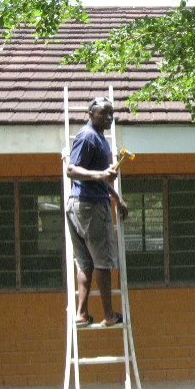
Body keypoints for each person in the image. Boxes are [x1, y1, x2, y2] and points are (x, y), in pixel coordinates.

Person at [65, 96, 128, 328]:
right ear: (90, 113)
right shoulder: (88, 136)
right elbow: (71, 169)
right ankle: (109, 314)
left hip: (80, 205)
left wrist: (116, 196)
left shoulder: (100, 137)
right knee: (102, 263)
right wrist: (100, 176)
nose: (109, 118)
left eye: (111, 114)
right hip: (90, 208)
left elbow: (97, 174)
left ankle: (81, 314)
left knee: (85, 264)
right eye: (104, 113)